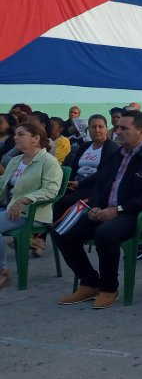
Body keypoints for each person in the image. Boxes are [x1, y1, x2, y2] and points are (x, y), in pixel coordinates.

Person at [55, 110, 142, 309]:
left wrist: (118, 209)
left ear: (141, 131)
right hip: (106, 210)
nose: (117, 131)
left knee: (105, 233)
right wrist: (94, 206)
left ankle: (109, 288)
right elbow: (101, 184)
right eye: (117, 127)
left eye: (124, 128)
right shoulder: (117, 154)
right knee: (62, 231)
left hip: (136, 215)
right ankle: (90, 281)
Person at [0, 121, 63, 290]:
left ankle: (3, 271)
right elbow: (2, 184)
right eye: (15, 134)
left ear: (35, 138)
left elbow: (51, 191)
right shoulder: (15, 160)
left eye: (21, 134)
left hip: (33, 214)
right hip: (11, 210)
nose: (15, 137)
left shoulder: (48, 162)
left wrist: (25, 199)